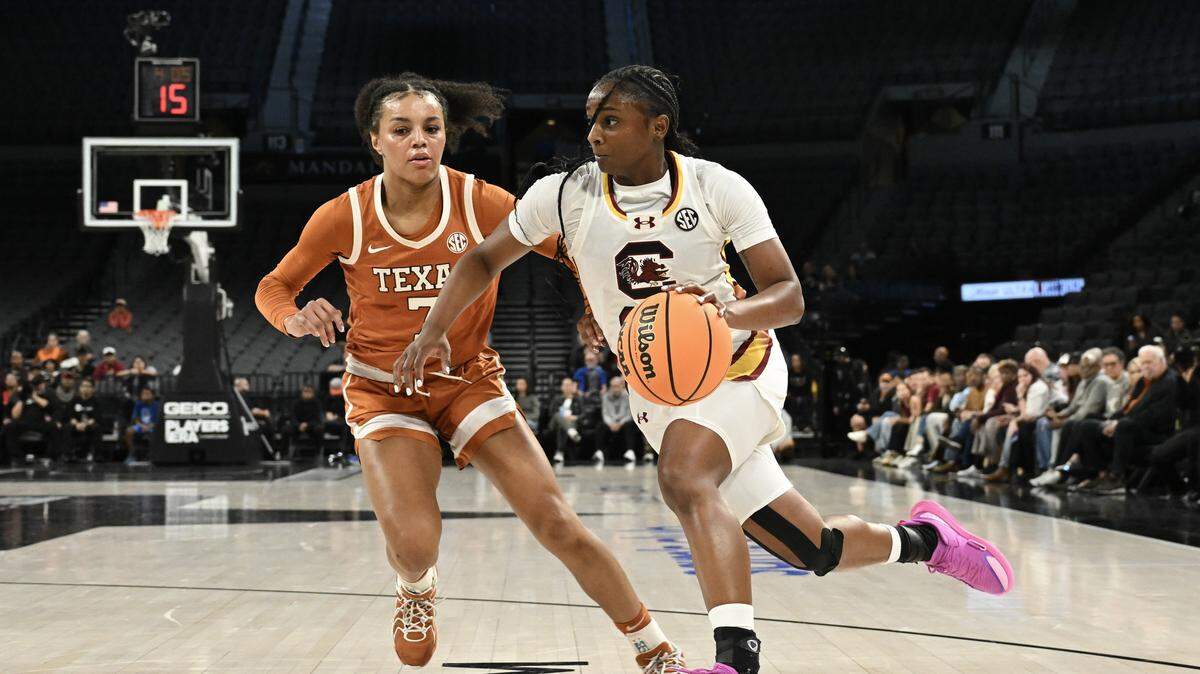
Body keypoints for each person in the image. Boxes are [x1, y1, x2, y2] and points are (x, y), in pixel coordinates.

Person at [401, 64, 1013, 674]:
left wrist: (733, 313)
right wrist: (433, 332)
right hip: (658, 392)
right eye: (591, 121)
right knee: (813, 549)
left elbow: (789, 296)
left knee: (684, 479)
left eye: (610, 121)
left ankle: (734, 662)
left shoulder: (718, 188)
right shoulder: (562, 196)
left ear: (658, 126)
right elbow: (483, 260)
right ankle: (929, 542)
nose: (593, 134)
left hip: (741, 368)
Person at [254, 73, 682, 671]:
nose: (419, 141)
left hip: (469, 381)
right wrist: (295, 318)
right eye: (401, 130)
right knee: (412, 544)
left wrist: (594, 303)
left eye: (431, 128)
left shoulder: (481, 202)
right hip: (384, 391)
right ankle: (416, 588)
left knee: (556, 521)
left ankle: (652, 646)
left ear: (446, 136)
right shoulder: (343, 216)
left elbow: (570, 248)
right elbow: (273, 286)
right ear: (375, 140)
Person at [597, 376, 640, 463]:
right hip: (611, 423)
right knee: (600, 425)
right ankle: (599, 452)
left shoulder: (628, 396)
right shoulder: (605, 397)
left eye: (617, 386)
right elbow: (605, 414)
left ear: (622, 386)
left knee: (630, 424)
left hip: (623, 422)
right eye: (613, 386)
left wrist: (620, 424)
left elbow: (629, 414)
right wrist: (611, 424)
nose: (615, 388)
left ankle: (630, 451)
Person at [68, 378, 101, 463]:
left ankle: (96, 455)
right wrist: (76, 423)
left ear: (93, 389)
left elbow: (97, 417)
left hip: (90, 424)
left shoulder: (96, 401)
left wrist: (85, 424)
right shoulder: (74, 400)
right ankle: (69, 455)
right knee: (67, 427)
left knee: (96, 428)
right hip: (77, 424)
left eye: (88, 386)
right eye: (83, 386)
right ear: (79, 388)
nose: (85, 388)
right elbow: (70, 415)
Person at [124, 386, 159, 463]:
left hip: (153, 426)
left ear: (152, 395)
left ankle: (152, 455)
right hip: (141, 426)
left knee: (156, 432)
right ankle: (132, 453)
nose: (144, 395)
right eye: (143, 393)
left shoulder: (157, 405)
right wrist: (142, 425)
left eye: (147, 394)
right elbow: (136, 419)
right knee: (129, 431)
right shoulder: (138, 404)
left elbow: (158, 420)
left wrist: (150, 426)